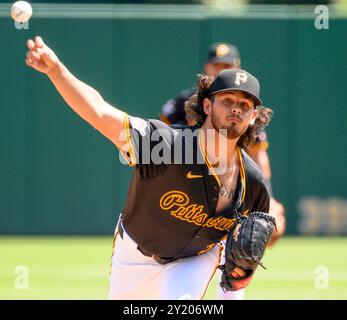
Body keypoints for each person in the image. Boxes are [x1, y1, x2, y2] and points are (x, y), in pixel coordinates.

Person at [26, 36, 273, 300]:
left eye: (245, 105)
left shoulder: (253, 184)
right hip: (134, 253)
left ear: (253, 118)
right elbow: (98, 112)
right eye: (227, 100)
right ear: (207, 105)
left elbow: (248, 241)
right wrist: (55, 70)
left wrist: (242, 271)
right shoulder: (163, 145)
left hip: (193, 259)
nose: (236, 108)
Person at [161, 42, 286, 300]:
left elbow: (257, 154)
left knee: (235, 261)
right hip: (186, 195)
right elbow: (161, 143)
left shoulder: (245, 107)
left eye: (227, 65)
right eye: (217, 65)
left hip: (230, 192)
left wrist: (268, 201)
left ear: (237, 67)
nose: (221, 69)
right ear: (207, 67)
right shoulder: (181, 104)